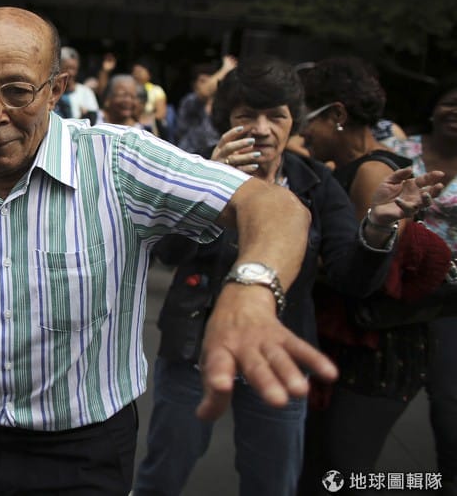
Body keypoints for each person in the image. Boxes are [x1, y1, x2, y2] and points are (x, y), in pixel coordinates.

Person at [0, 6, 352, 494]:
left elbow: (277, 208)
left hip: (82, 455)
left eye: (18, 91)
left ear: (57, 89)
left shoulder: (119, 164)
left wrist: (251, 291)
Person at [134, 58, 440, 496]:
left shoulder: (315, 183)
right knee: (163, 472)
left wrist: (378, 225)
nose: (261, 129)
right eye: (246, 116)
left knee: (273, 481)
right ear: (226, 121)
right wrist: (208, 190)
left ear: (293, 122)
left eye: (275, 116)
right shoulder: (199, 170)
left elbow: (352, 278)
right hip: (193, 351)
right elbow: (167, 251)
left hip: (281, 353)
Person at [297, 57, 449, 494]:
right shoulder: (339, 169)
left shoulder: (372, 173)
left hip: (376, 350)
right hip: (348, 343)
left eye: (305, 119)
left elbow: (372, 271)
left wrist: (301, 259)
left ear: (337, 115)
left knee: (339, 469)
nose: (301, 134)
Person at [383, 76, 457, 495]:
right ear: (432, 108)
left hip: (452, 299)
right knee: (379, 394)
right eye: (450, 102)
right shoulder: (400, 151)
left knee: (448, 397)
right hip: (396, 287)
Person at [175, 55, 237, 157]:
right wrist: (225, 69)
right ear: (194, 84)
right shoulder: (190, 101)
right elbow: (204, 91)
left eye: (211, 80)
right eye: (203, 81)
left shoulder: (223, 104)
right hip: (188, 156)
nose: (210, 84)